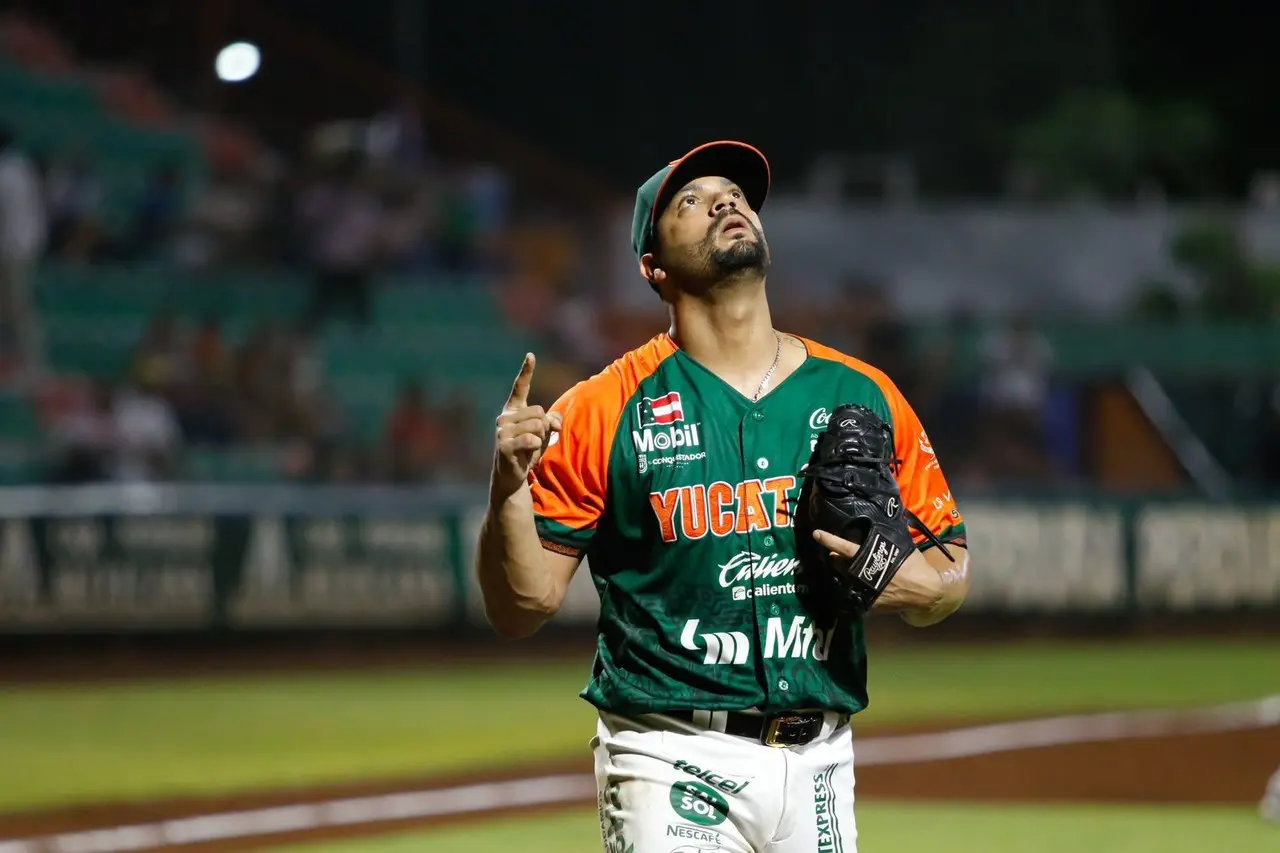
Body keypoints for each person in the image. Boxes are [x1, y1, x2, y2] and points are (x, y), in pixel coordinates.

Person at [475, 141, 972, 853]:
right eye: (691, 201)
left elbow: (951, 570)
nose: (725, 201)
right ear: (653, 266)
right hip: (669, 752)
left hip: (822, 760)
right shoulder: (602, 409)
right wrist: (507, 488)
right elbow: (520, 607)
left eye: (735, 194)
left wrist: (917, 586)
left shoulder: (858, 393)